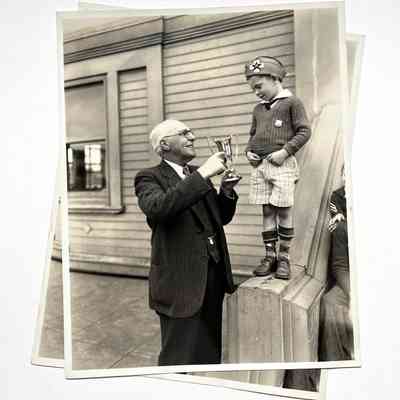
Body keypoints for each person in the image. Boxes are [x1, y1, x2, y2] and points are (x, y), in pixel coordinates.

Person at [134, 119, 239, 366]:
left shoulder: (195, 174)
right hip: (179, 283)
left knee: (209, 354)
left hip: (212, 276)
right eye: (184, 133)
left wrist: (226, 191)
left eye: (190, 132)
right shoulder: (148, 177)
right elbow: (158, 208)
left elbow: (219, 218)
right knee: (178, 357)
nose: (192, 137)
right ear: (164, 145)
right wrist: (203, 174)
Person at [244, 56, 312, 279]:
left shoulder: (292, 103)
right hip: (260, 167)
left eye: (259, 86)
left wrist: (285, 152)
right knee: (267, 210)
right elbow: (253, 136)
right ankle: (269, 256)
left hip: (282, 165)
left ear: (275, 79)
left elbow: (304, 131)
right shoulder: (258, 109)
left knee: (283, 210)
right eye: (253, 89)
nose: (256, 92)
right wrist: (249, 152)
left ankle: (284, 257)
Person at [319, 166, 354, 361]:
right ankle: (338, 363)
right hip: (351, 279)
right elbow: (340, 266)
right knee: (330, 302)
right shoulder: (341, 226)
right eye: (345, 174)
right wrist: (353, 295)